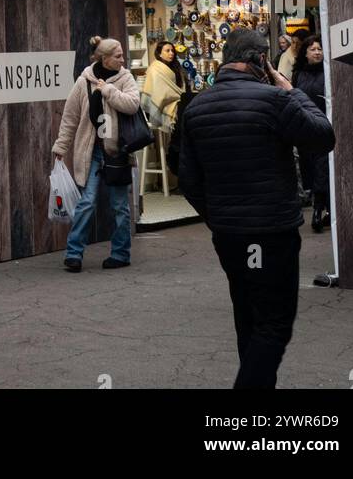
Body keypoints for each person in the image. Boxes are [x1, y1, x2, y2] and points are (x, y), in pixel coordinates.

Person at [177, 27, 334, 390]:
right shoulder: (274, 100)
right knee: (273, 324)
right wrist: (291, 90)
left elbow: (188, 179)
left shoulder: (197, 107)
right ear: (260, 59)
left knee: (248, 317)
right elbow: (323, 135)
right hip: (270, 232)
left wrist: (216, 215)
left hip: (230, 234)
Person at [52, 36, 140, 272]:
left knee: (120, 205)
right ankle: (73, 254)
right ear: (104, 58)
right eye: (118, 55)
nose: (122, 59)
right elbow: (70, 117)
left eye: (122, 55)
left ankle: (121, 254)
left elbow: (132, 104)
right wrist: (61, 147)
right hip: (91, 153)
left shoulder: (126, 78)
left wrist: (108, 90)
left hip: (117, 152)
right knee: (87, 202)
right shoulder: (84, 82)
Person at [292, 35, 331, 233]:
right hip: (305, 129)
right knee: (311, 169)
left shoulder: (329, 72)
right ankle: (327, 210)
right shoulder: (298, 74)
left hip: (324, 127)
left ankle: (318, 210)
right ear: (305, 53)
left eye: (320, 49)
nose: (317, 52)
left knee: (322, 168)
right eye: (313, 49)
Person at [141, 41, 185, 132]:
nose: (171, 53)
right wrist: (176, 97)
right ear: (159, 54)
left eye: (172, 51)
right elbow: (160, 93)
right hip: (161, 106)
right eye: (167, 51)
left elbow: (179, 87)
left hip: (178, 101)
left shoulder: (176, 67)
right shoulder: (155, 69)